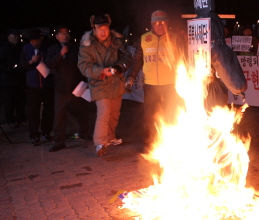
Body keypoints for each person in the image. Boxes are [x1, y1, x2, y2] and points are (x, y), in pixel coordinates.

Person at [78, 14, 132, 156]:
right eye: (100, 29)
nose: (103, 32)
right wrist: (101, 71)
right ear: (94, 29)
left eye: (106, 28)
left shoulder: (116, 41)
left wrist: (121, 66)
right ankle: (100, 143)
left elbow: (127, 56)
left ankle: (110, 137)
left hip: (115, 83)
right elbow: (84, 66)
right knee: (104, 112)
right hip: (99, 84)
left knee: (114, 113)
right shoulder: (87, 45)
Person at [128, 10, 180, 149]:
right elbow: (137, 61)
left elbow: (183, 60)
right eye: (157, 22)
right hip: (150, 85)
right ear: (152, 24)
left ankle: (171, 143)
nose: (160, 25)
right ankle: (150, 143)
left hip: (170, 84)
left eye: (163, 22)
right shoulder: (144, 39)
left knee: (171, 113)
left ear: (167, 23)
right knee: (150, 116)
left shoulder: (174, 38)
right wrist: (131, 77)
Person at [45, 25, 91, 152]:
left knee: (82, 112)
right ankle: (59, 142)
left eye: (66, 33)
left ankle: (84, 133)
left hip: (77, 87)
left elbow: (83, 65)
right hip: (61, 89)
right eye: (61, 33)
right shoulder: (53, 50)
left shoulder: (76, 48)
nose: (65, 35)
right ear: (57, 36)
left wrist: (85, 82)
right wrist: (60, 54)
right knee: (59, 116)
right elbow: (49, 64)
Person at [19, 28, 54, 146]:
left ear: (41, 39)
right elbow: (22, 66)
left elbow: (53, 63)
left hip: (47, 84)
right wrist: (30, 61)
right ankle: (34, 134)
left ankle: (46, 131)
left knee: (48, 109)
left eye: (35, 40)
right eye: (31, 41)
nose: (33, 43)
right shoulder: (26, 49)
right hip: (32, 85)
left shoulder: (48, 48)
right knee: (33, 110)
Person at [0, 29, 26, 129]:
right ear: (8, 36)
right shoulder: (3, 48)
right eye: (14, 35)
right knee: (9, 102)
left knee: (20, 101)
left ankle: (21, 119)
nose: (16, 37)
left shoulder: (21, 47)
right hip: (8, 81)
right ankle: (10, 120)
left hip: (20, 79)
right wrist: (9, 68)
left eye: (17, 35)